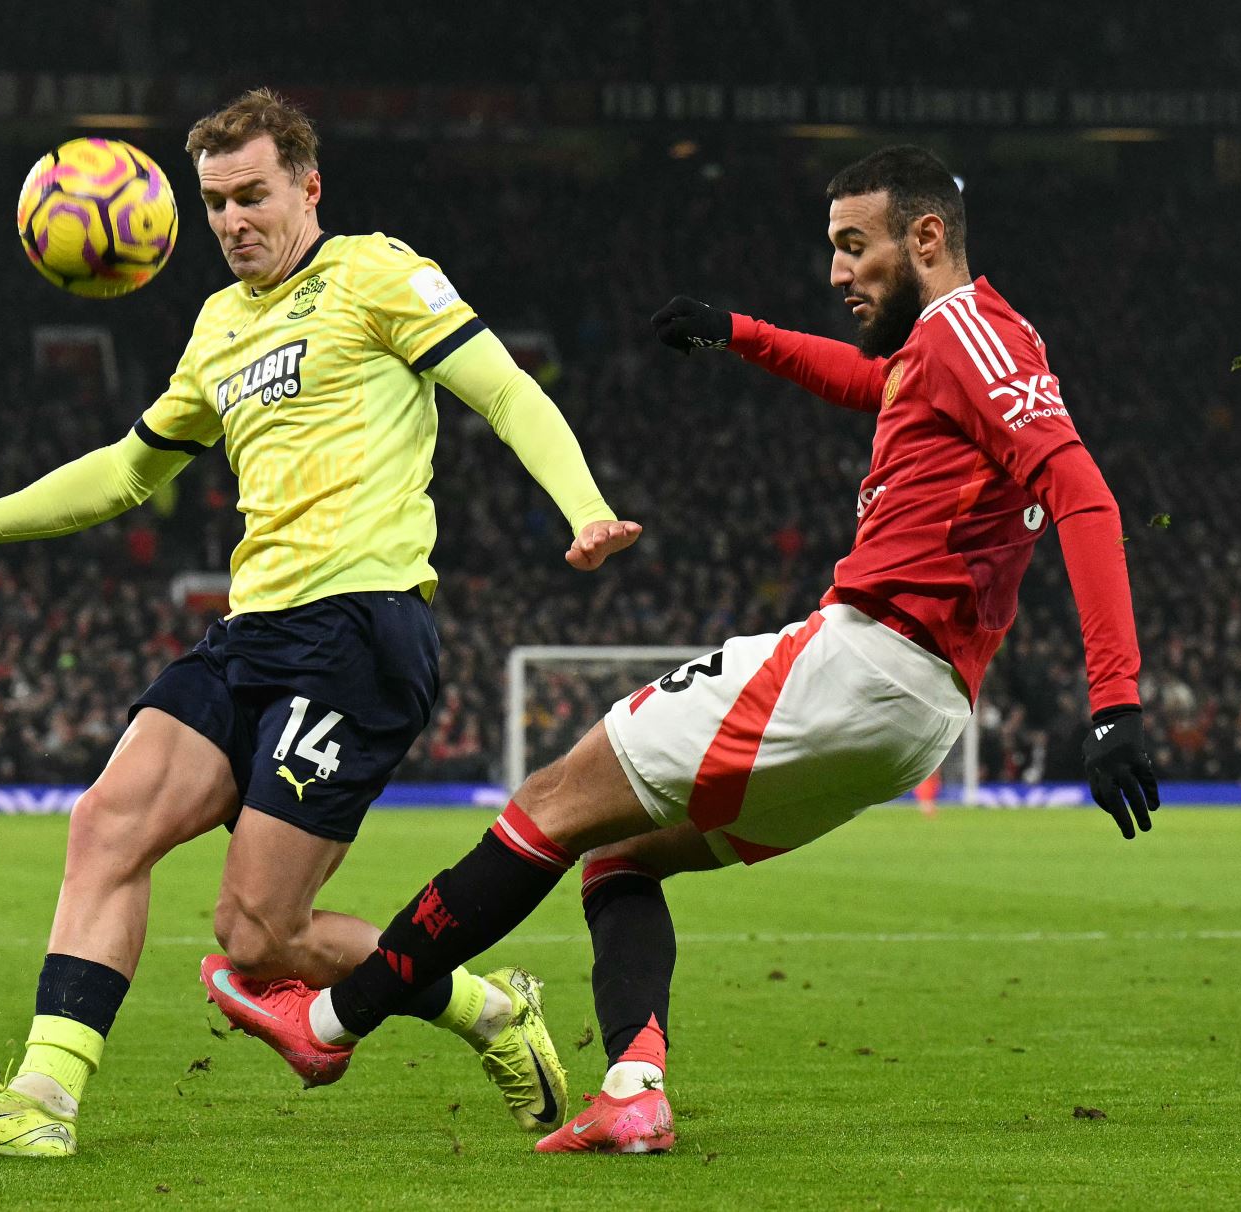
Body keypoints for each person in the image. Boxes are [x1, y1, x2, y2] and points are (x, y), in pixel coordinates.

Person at [217, 145, 1159, 1154]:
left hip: (862, 658)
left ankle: (324, 1025)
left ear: (927, 237)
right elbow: (869, 382)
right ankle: (632, 1089)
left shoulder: (974, 333)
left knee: (550, 801)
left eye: (855, 247)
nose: (837, 272)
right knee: (617, 856)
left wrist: (1114, 701)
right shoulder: (939, 347)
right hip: (918, 715)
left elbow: (1083, 493)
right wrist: (739, 332)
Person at [0, 88, 641, 1158]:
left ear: (308, 187)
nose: (231, 221)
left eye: (252, 196)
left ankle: (492, 1012)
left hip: (359, 633)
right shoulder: (219, 325)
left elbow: (503, 391)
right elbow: (130, 470)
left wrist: (584, 509)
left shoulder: (374, 273)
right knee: (106, 823)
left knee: (260, 937)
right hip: (251, 632)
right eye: (214, 202)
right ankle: (43, 1104)